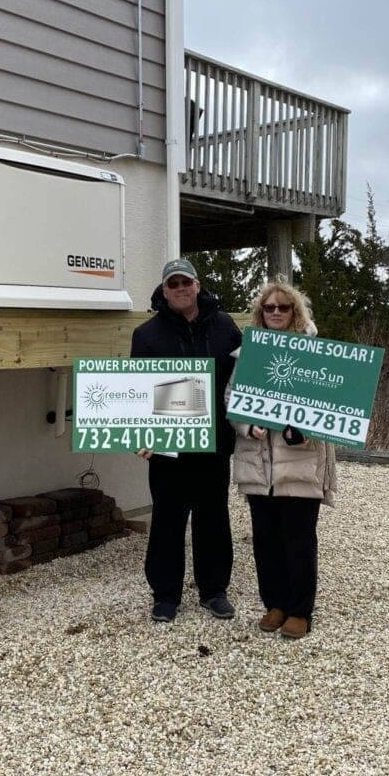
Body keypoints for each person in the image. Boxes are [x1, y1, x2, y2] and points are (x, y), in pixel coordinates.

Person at [131, 258, 242, 623]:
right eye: (172, 284)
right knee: (167, 520)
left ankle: (213, 591)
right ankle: (165, 596)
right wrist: (140, 437)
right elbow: (136, 393)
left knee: (214, 518)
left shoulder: (226, 327)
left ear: (198, 286)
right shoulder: (147, 334)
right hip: (168, 450)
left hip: (213, 445)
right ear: (164, 291)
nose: (180, 289)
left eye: (186, 282)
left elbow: (240, 382)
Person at [228, 279, 336, 639]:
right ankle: (274, 603)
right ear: (261, 312)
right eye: (268, 308)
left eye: (282, 307)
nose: (275, 313)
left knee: (298, 538)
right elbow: (232, 398)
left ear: (295, 312)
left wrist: (304, 428)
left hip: (300, 461)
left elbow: (330, 406)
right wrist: (248, 424)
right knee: (265, 538)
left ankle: (300, 609)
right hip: (259, 462)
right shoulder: (247, 354)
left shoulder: (315, 356)